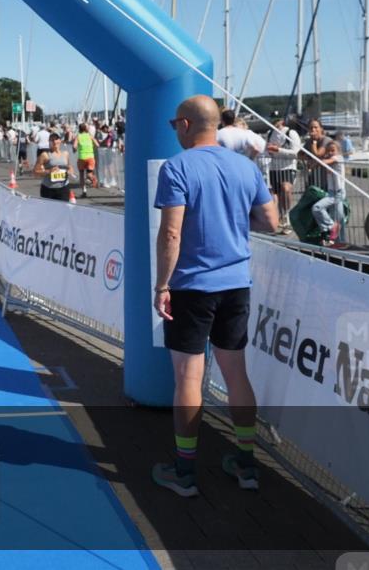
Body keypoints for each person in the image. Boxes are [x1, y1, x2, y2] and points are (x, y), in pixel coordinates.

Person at [152, 95, 278, 497]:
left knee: (188, 378)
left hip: (192, 286)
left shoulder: (177, 167)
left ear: (186, 125)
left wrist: (162, 285)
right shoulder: (245, 166)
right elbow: (271, 221)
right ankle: (246, 464)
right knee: (236, 373)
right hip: (236, 284)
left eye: (174, 124)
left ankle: (185, 471)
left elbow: (171, 233)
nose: (174, 130)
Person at [265, 115, 301, 234]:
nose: (275, 123)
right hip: (274, 168)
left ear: (282, 121)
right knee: (277, 196)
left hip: (288, 167)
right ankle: (281, 220)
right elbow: (266, 151)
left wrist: (278, 150)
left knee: (286, 189)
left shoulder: (291, 133)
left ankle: (286, 216)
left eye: (277, 120)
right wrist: (269, 152)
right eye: (273, 120)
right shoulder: (270, 133)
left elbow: (296, 152)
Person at [311, 139, 346, 247]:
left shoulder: (338, 158)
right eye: (328, 151)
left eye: (333, 150)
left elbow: (324, 162)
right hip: (332, 192)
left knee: (317, 208)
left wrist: (317, 161)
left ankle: (333, 229)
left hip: (338, 192)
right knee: (338, 218)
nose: (331, 153)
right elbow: (320, 164)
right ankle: (338, 241)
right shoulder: (330, 160)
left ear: (338, 151)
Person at [34, 132, 73, 201]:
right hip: (48, 189)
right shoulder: (45, 155)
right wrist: (49, 171)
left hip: (63, 188)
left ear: (60, 141)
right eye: (52, 140)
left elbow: (69, 166)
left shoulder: (65, 153)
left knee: (64, 207)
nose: (54, 141)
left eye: (56, 139)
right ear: (49, 142)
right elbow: (35, 172)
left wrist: (70, 171)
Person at [73, 123, 99, 197]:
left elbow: (74, 147)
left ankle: (84, 191)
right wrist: (91, 147)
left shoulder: (78, 136)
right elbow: (97, 145)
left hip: (81, 157)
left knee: (81, 175)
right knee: (89, 174)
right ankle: (93, 178)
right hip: (90, 157)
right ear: (86, 129)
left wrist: (75, 150)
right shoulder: (90, 135)